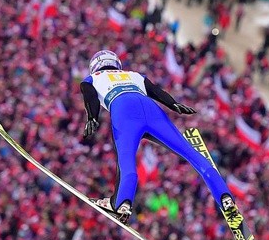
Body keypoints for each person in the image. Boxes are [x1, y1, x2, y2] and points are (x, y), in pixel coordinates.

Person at [80, 50, 235, 224]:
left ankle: (123, 202)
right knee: (190, 152)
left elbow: (90, 96)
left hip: (123, 109)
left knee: (126, 161)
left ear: (95, 66)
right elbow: (156, 91)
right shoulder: (133, 74)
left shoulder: (92, 79)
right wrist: (174, 104)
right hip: (150, 108)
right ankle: (224, 196)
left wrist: (92, 117)